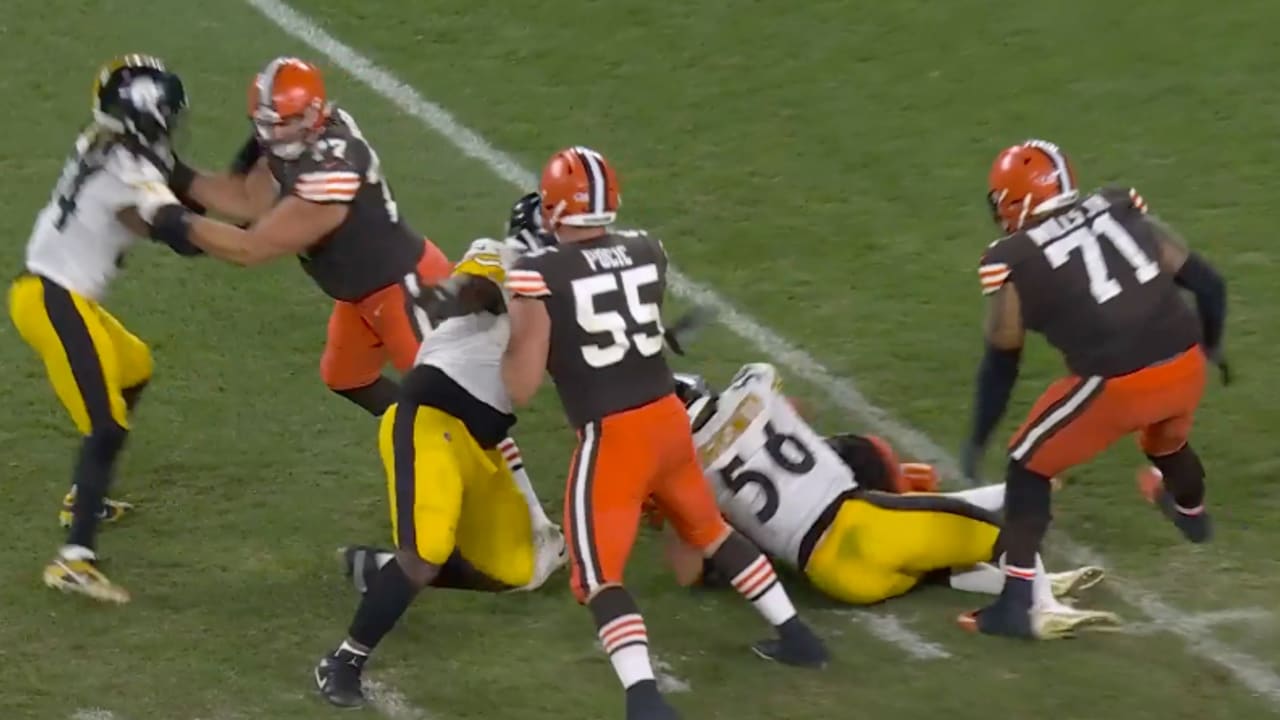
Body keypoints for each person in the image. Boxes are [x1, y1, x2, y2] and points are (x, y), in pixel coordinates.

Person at [501, 146, 827, 720]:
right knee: (709, 530)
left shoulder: (537, 273)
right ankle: (798, 636)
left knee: (598, 576)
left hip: (613, 437)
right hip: (667, 420)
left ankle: (644, 699)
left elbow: (521, 385)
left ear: (554, 210)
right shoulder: (649, 249)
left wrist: (516, 310)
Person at [958, 139, 1228, 639]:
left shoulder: (1011, 257)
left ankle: (1018, 603)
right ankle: (1193, 514)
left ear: (1017, 200)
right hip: (1185, 362)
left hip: (1118, 379)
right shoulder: (1119, 204)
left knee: (1026, 465)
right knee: (1166, 444)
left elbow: (1003, 358)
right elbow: (1209, 284)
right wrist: (1209, 351)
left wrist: (978, 435)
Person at [310, 193, 566, 709]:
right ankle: (343, 661)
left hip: (479, 444)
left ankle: (381, 570)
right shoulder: (501, 257)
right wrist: (451, 296)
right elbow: (475, 286)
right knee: (426, 551)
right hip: (427, 421)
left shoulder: (564, 289)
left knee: (519, 569)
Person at [662, 364, 1117, 637]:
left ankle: (1030, 579)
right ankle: (1039, 607)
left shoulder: (686, 473)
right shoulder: (754, 385)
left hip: (834, 579)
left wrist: (666, 504)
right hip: (860, 524)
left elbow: (688, 572)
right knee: (991, 530)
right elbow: (792, 407)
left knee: (933, 554)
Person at [150, 56, 451, 416]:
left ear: (313, 114)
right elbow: (247, 200)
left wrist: (172, 218)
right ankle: (414, 431)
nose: (272, 135)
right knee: (347, 377)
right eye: (265, 124)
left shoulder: (333, 168)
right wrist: (167, 168)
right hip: (360, 292)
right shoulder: (290, 138)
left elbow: (251, 247)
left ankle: (464, 454)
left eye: (284, 123)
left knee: (453, 408)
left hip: (405, 288)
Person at [8, 54, 199, 603]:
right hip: (53, 298)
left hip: (61, 293)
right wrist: (249, 236)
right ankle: (74, 560)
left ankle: (83, 497)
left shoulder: (109, 145)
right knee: (106, 425)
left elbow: (170, 202)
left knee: (134, 367)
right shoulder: (129, 168)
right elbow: (180, 235)